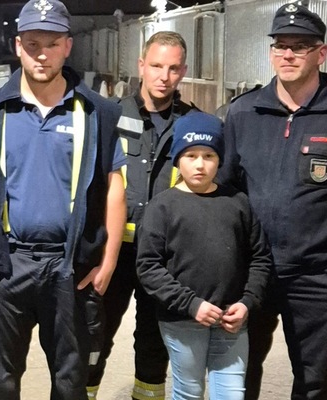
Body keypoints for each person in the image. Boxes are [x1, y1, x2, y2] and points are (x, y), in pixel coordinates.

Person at [0, 0, 127, 398]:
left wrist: (109, 261)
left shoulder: (98, 112)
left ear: (68, 46)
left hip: (69, 268)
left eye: (52, 43)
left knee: (70, 385)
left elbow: (114, 186)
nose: (42, 53)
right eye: (33, 43)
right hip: (3, 267)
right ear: (18, 45)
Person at [218, 3, 327, 399]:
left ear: (321, 53)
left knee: (317, 380)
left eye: (300, 46)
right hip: (253, 272)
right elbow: (226, 191)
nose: (288, 54)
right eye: (281, 45)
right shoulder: (243, 111)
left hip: (316, 275)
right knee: (238, 374)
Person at [86, 31, 198, 400]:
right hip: (112, 251)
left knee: (154, 346)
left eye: (172, 68)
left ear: (183, 71)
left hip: (165, 257)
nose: (163, 76)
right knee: (91, 337)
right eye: (155, 66)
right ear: (140, 66)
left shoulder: (193, 125)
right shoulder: (110, 115)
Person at [136, 111, 271, 400]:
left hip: (231, 319)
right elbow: (148, 267)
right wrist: (191, 304)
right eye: (191, 155)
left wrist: (247, 303)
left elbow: (260, 258)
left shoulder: (238, 203)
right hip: (182, 320)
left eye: (208, 156)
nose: (200, 164)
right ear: (178, 160)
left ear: (219, 159)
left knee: (232, 394)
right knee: (189, 391)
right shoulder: (162, 207)